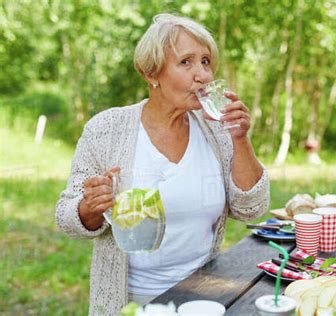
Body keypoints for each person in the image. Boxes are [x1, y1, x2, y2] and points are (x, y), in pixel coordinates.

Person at [55, 13, 269, 315]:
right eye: (186, 62)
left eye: (206, 61)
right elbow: (66, 216)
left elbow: (252, 208)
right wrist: (90, 207)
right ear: (151, 73)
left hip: (204, 297)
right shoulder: (106, 129)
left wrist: (241, 138)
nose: (203, 75)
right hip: (129, 301)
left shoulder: (218, 131)